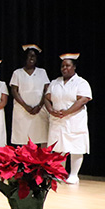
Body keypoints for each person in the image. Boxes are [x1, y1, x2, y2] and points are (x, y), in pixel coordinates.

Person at [45, 53, 92, 185]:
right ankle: (60, 173)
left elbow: (83, 99)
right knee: (59, 148)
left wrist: (67, 112)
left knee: (76, 147)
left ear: (74, 67)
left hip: (74, 119)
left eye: (68, 65)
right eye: (62, 66)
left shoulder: (81, 82)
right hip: (58, 119)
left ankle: (74, 175)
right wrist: (51, 110)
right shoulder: (55, 82)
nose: (64, 68)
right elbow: (46, 98)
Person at [10, 44, 50, 146]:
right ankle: (26, 161)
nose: (31, 58)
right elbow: (14, 91)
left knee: (41, 136)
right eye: (29, 56)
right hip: (22, 110)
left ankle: (41, 161)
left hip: (39, 110)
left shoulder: (42, 72)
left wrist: (39, 106)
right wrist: (25, 106)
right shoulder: (17, 73)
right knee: (23, 137)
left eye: (33, 56)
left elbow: (47, 90)